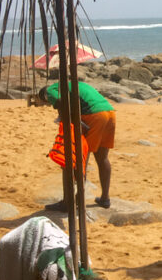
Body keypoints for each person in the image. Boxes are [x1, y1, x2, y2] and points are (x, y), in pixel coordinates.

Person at [40, 80, 116, 210]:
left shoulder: (50, 90)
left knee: (79, 159)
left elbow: (60, 103)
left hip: (93, 115)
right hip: (110, 112)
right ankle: (105, 198)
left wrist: (68, 118)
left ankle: (70, 202)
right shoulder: (72, 84)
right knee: (102, 158)